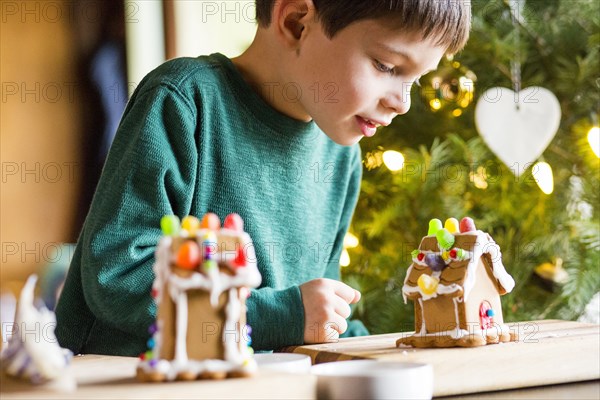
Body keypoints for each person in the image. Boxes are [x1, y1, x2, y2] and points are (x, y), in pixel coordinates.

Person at [55, 0, 471, 356]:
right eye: (386, 65)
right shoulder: (184, 101)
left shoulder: (342, 157)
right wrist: (282, 316)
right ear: (296, 22)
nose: (402, 103)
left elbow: (316, 315)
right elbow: (119, 274)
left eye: (414, 80)